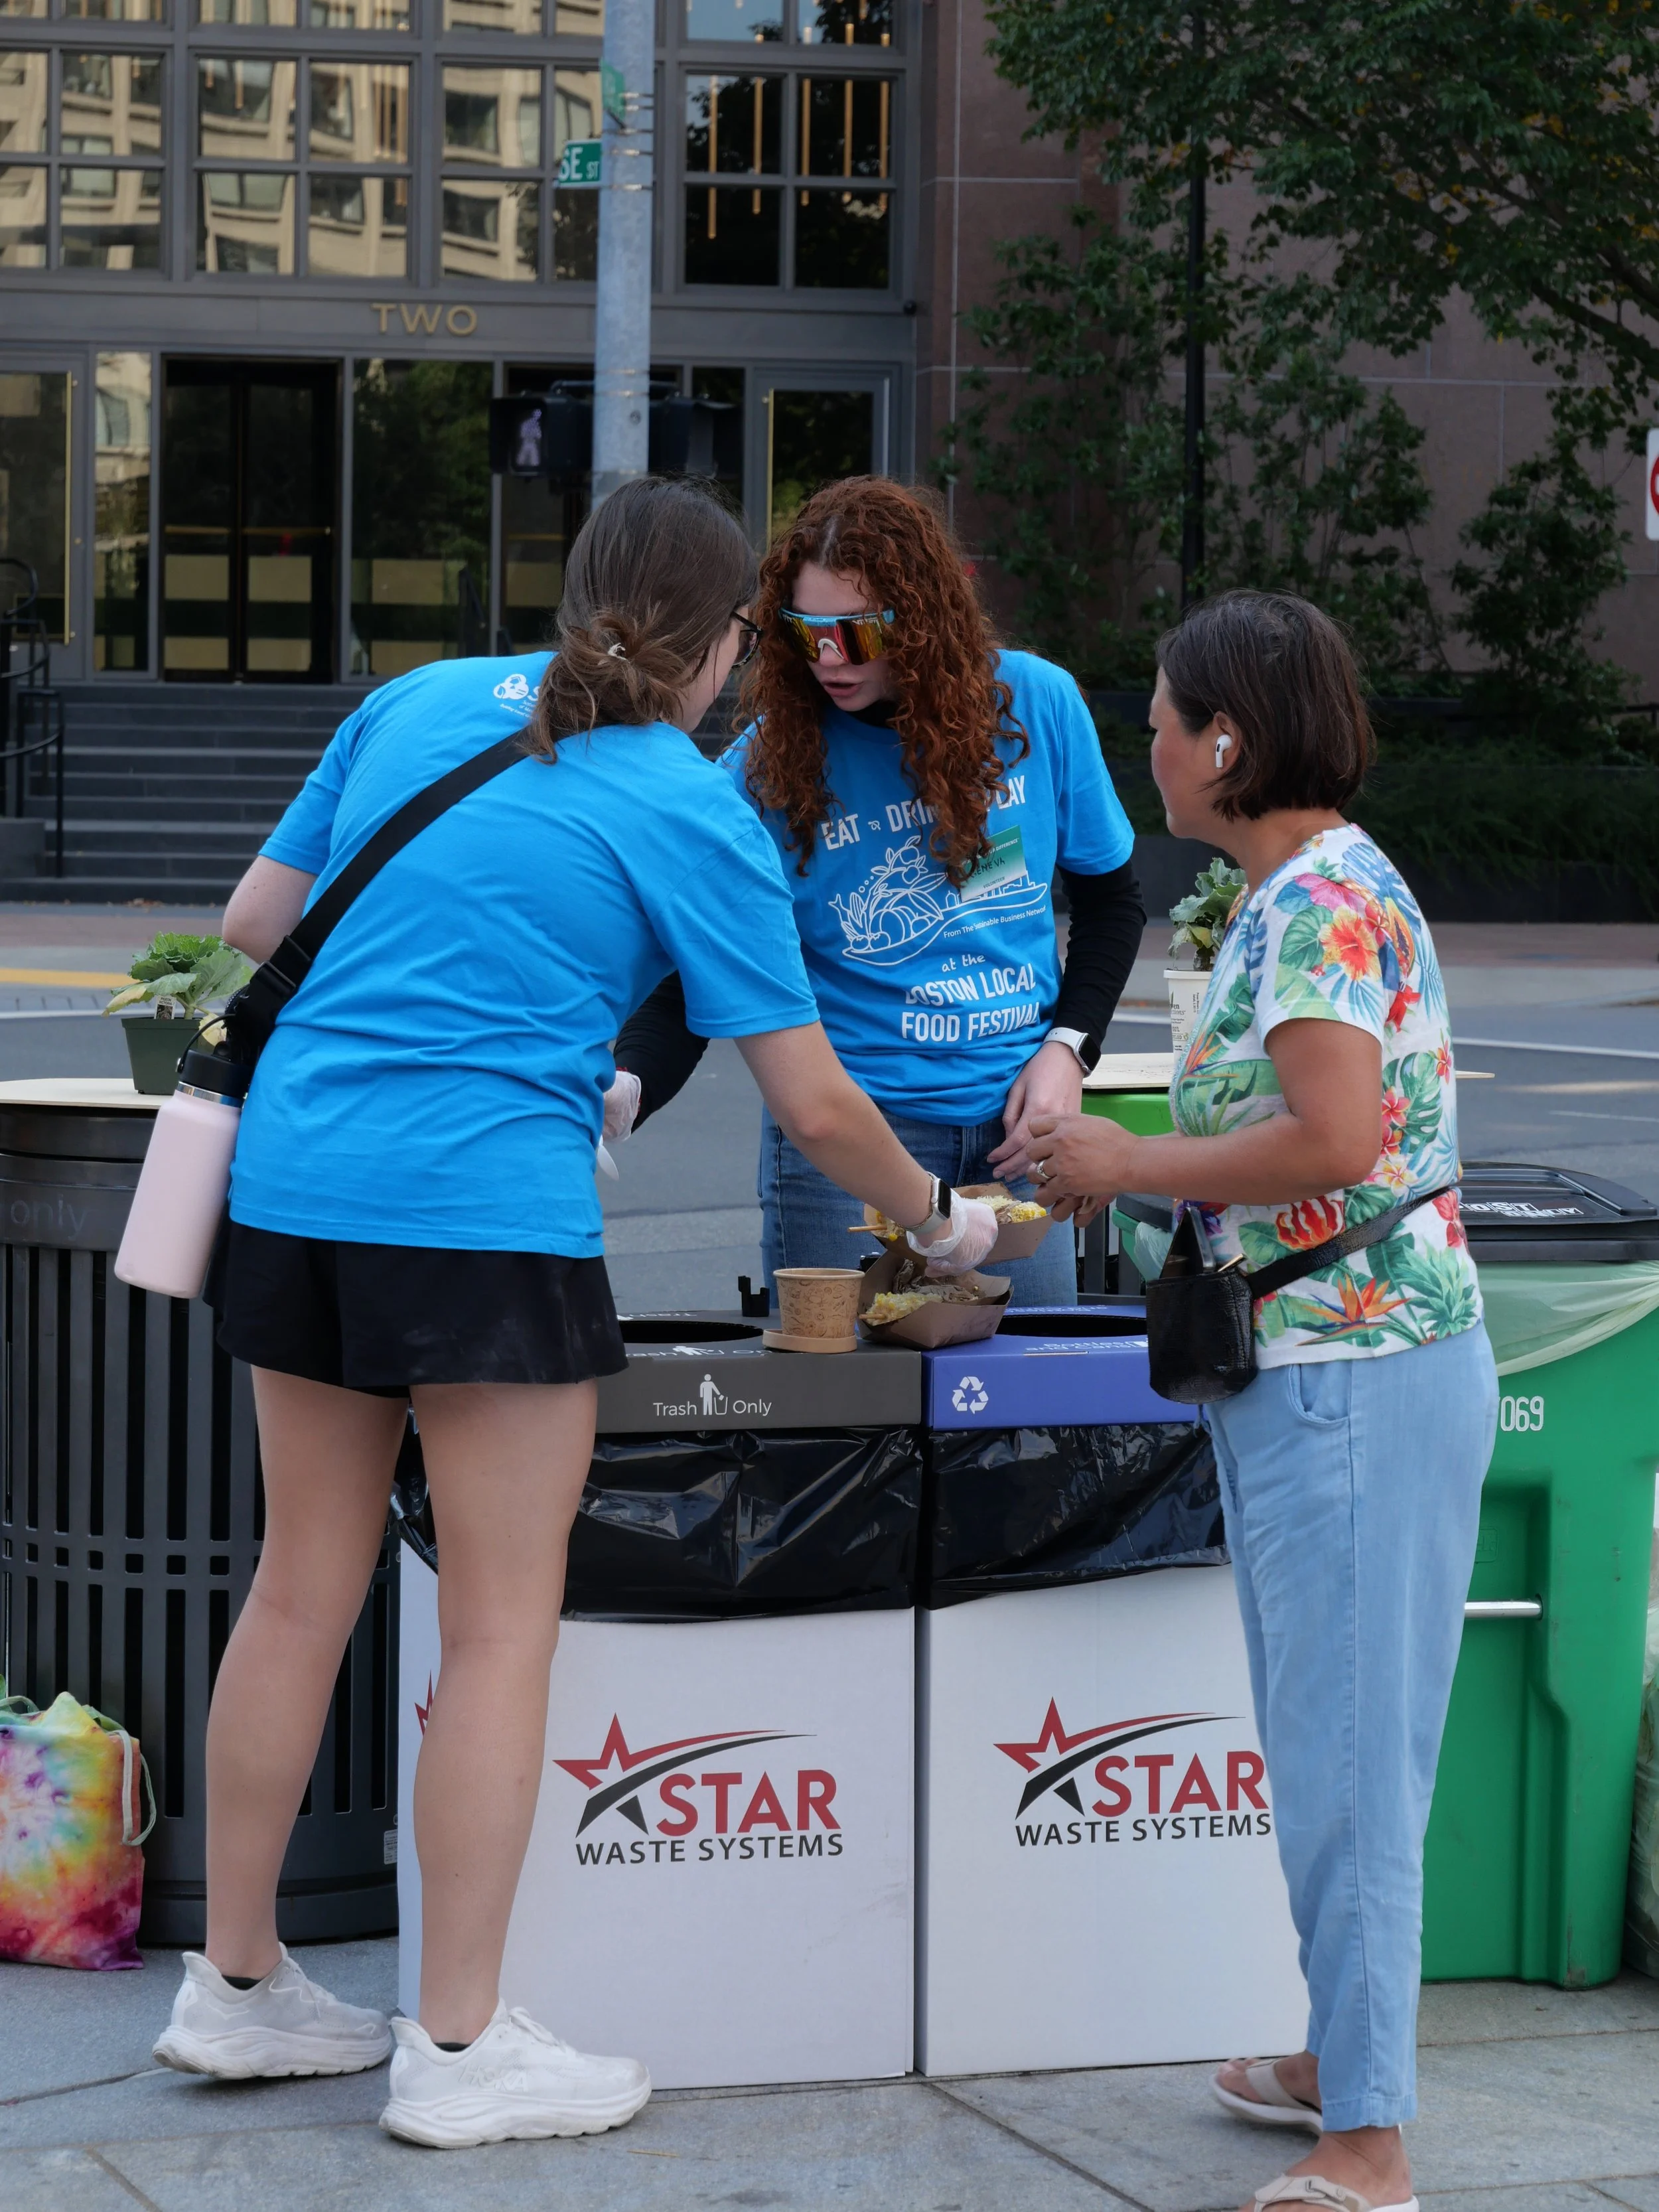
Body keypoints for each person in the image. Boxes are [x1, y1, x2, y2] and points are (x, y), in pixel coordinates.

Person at [151, 478, 997, 2150]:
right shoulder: (690, 809)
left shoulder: (411, 704)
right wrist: (941, 1215)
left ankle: (232, 1989)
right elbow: (815, 1104)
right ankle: (457, 2049)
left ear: (571, 598)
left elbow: (255, 924)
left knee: (301, 1589)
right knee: (496, 1630)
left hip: (299, 1188)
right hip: (481, 1221)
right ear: (727, 646)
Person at [1025, 592, 1496, 2212]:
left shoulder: (1309, 907)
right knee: (1337, 1743)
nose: (1143, 745)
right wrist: (1097, 1154)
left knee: (1352, 1757)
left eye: (1158, 718)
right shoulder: (1300, 893)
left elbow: (1334, 1140)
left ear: (1226, 739)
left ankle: (1367, 2141)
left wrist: (1128, 1160)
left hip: (1353, 1372)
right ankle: (1338, 2057)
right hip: (1334, 1365)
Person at [609, 477, 1145, 1305]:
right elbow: (702, 974)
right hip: (851, 1152)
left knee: (1029, 1415)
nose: (828, 657)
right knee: (851, 1420)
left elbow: (1113, 902)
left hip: (1018, 1134)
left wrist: (1065, 1049)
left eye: (857, 632)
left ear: (921, 617)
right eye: (806, 630)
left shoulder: (1036, 704)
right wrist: (625, 1086)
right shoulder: (760, 770)